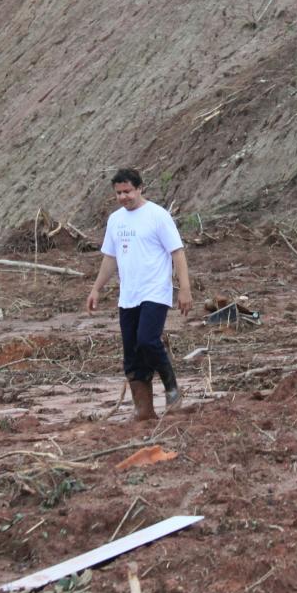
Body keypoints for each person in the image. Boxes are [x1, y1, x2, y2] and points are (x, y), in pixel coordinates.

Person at [86, 168, 192, 420]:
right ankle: (143, 410)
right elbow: (110, 258)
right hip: (128, 295)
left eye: (128, 191)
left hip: (155, 291)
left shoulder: (158, 216)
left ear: (140, 188)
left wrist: (185, 289)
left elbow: (177, 253)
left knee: (147, 340)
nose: (123, 197)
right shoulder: (115, 220)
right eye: (119, 193)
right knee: (132, 354)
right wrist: (96, 288)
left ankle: (172, 387)